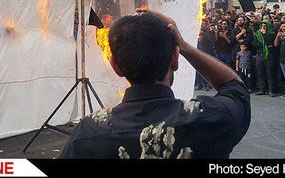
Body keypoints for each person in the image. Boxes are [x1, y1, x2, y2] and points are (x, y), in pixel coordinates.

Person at [60, 9, 251, 159]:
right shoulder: (209, 118)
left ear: (115, 67)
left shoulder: (90, 132)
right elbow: (234, 88)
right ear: (175, 60)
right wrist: (184, 46)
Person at [253, 20, 278, 97]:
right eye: (262, 26)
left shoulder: (271, 34)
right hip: (260, 55)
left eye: (265, 26)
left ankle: (271, 90)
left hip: (269, 55)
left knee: (269, 73)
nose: (263, 27)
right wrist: (264, 45)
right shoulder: (257, 34)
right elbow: (255, 44)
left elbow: (269, 42)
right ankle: (263, 89)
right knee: (261, 73)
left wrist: (264, 35)